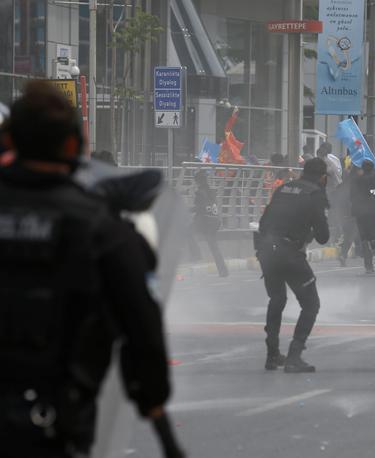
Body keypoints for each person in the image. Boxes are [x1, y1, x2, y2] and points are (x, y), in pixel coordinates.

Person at [0, 82, 171, 456]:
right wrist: (152, 399)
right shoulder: (99, 225)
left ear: (8, 140)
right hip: (54, 421)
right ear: (73, 146)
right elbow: (142, 324)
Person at [256, 158, 330, 373]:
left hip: (267, 251)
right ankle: (294, 355)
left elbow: (263, 222)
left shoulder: (284, 188)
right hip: (290, 253)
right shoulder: (315, 194)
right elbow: (323, 237)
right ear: (323, 177)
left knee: (277, 299)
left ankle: (272, 355)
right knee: (311, 304)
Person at [192, 170, 229, 277]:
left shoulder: (200, 192)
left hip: (205, 222)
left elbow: (200, 208)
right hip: (214, 221)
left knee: (185, 232)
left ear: (198, 181)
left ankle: (195, 255)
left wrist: (187, 210)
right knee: (214, 247)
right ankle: (223, 271)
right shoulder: (211, 191)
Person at [350, 160, 375, 273]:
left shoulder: (357, 180)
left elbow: (352, 196)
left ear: (362, 168)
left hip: (359, 211)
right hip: (373, 211)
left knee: (364, 237)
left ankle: (368, 265)